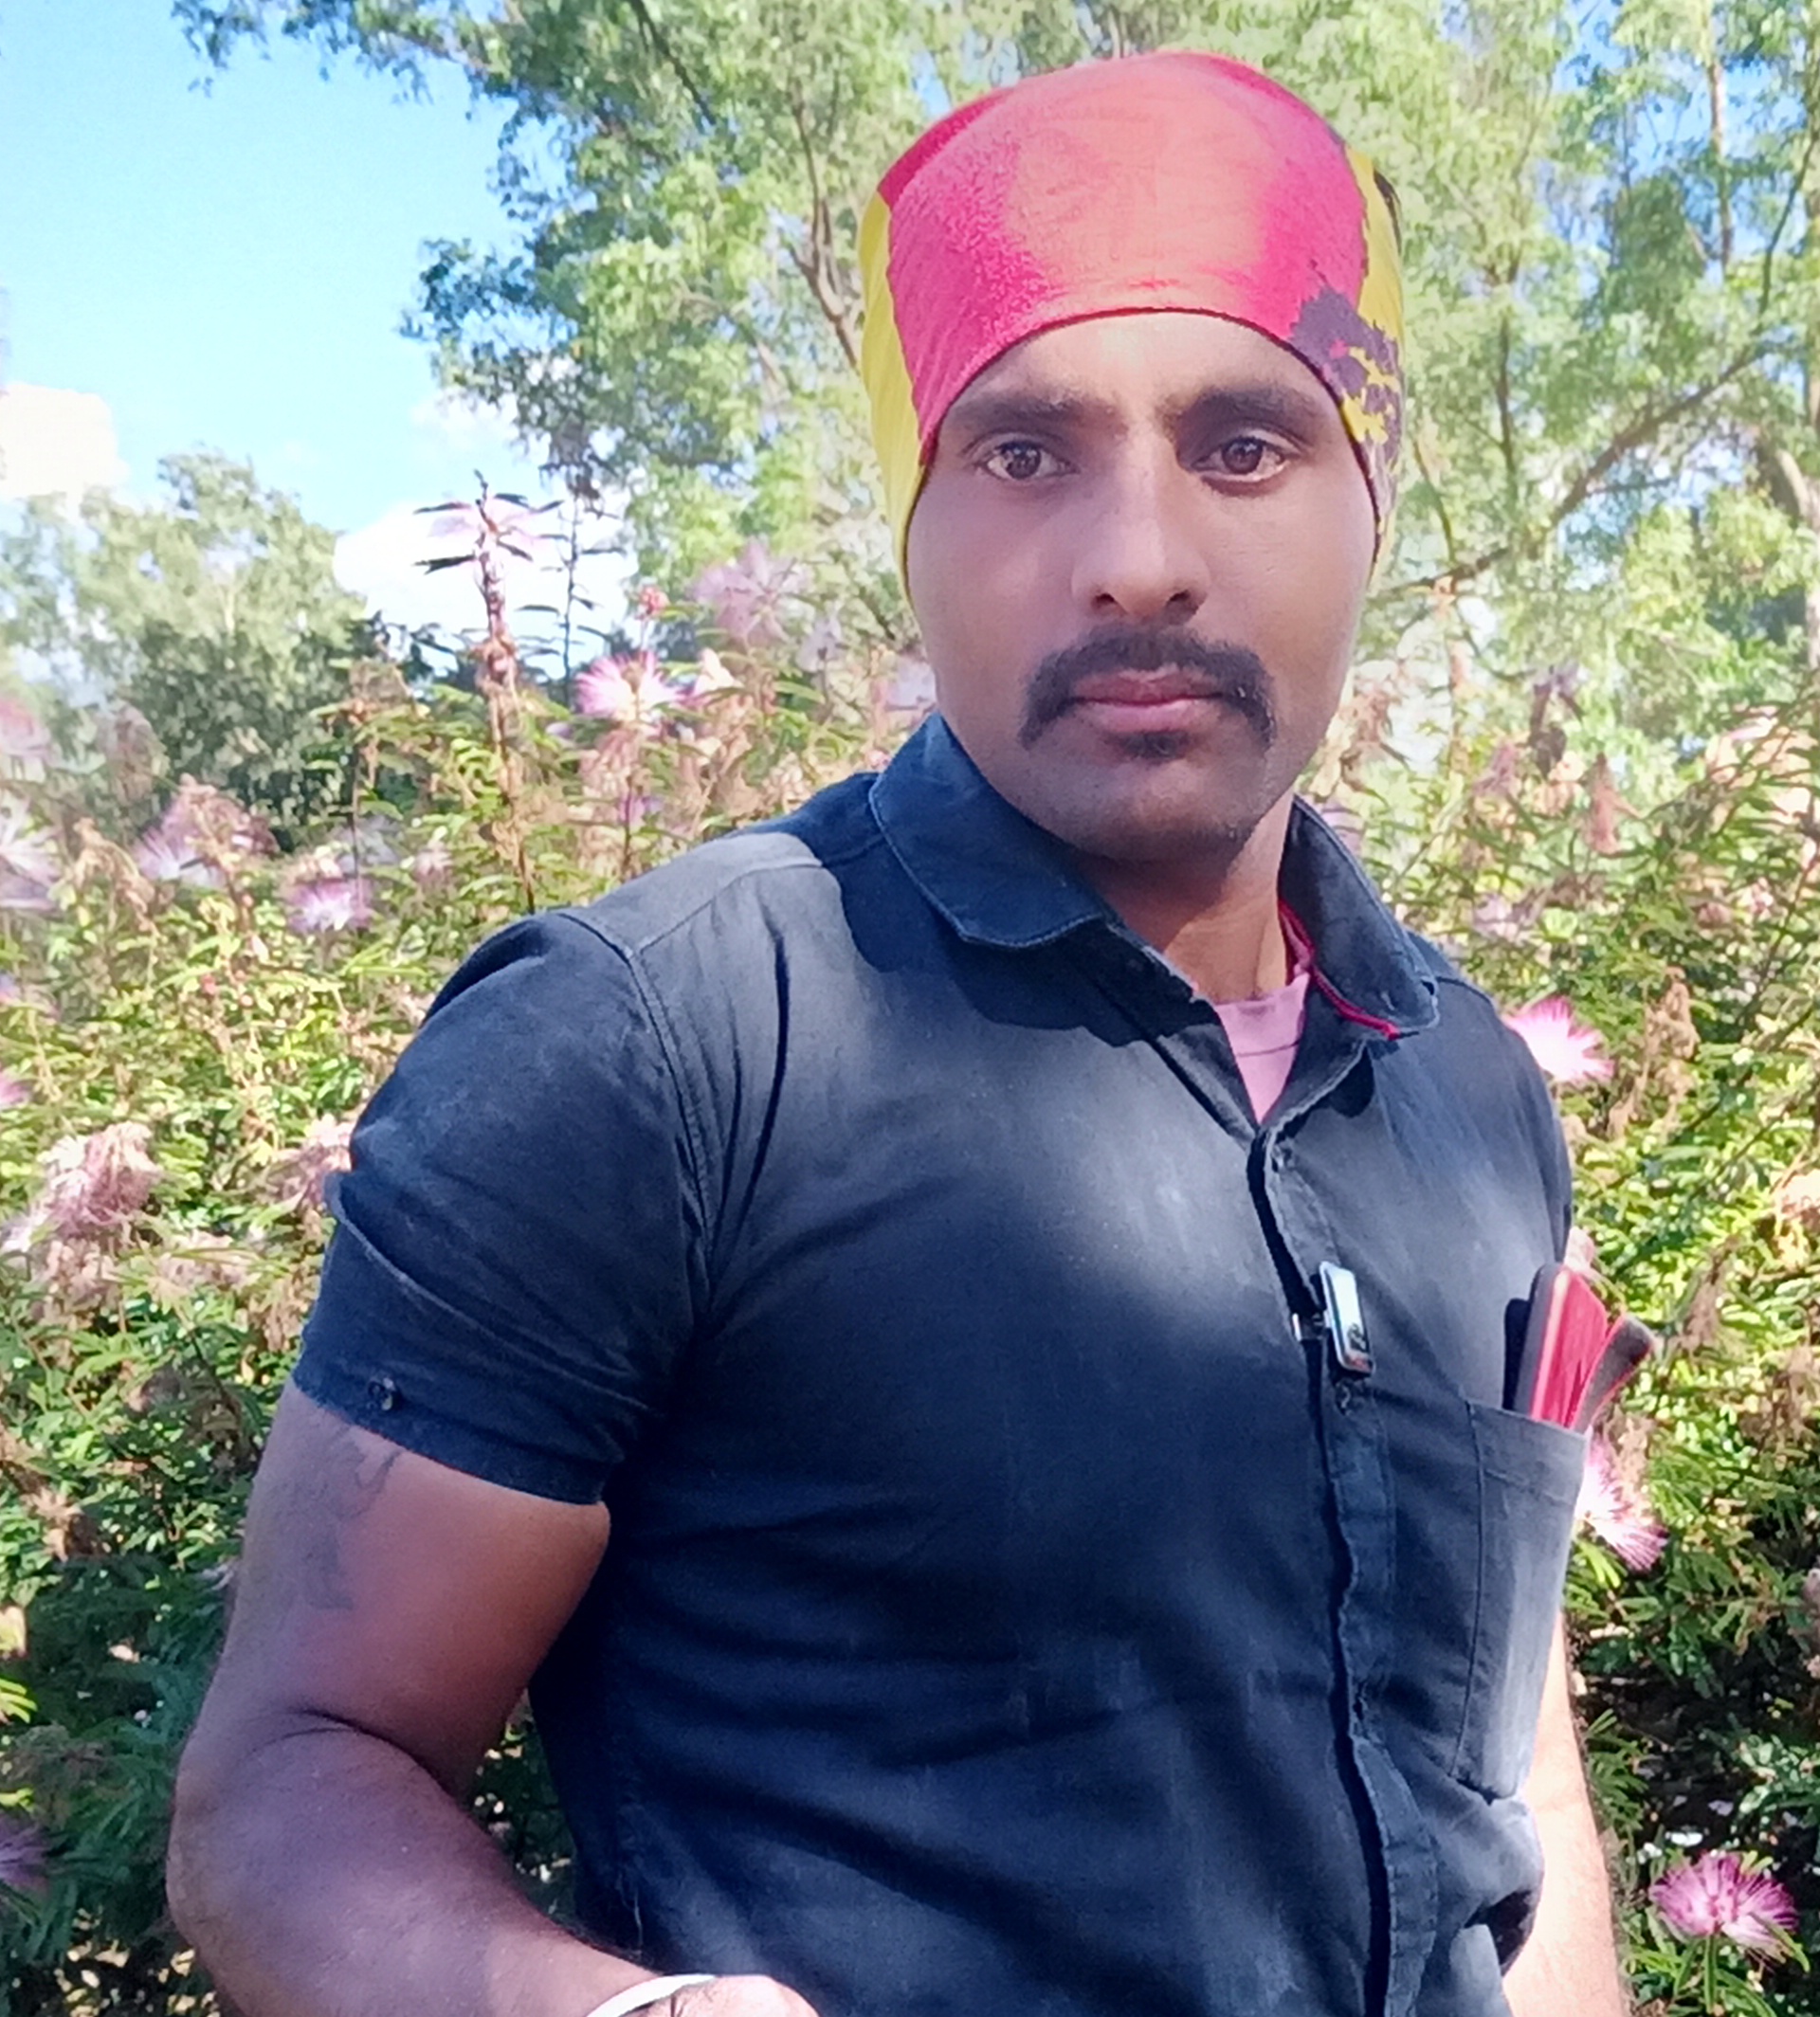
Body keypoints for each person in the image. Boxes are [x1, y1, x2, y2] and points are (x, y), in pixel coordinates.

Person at [169, 51, 1624, 2017]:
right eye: (1024, 452)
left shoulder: (1470, 1090)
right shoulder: (653, 1047)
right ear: (912, 526)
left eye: (1244, 444)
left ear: (1370, 502)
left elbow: (1515, 1763)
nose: (1139, 552)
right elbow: (290, 1780)